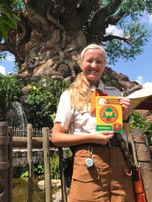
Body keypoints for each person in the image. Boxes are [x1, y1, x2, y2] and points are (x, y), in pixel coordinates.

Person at [51, 43, 135, 201]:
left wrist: (125, 116)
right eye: (89, 61)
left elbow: (125, 134)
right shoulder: (70, 95)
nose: (94, 66)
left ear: (105, 65)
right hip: (89, 162)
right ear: (81, 63)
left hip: (119, 163)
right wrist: (92, 137)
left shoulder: (115, 93)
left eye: (99, 62)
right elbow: (56, 137)